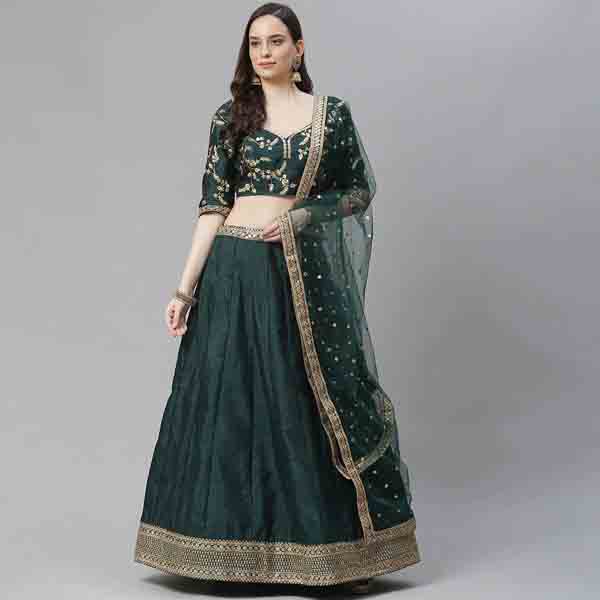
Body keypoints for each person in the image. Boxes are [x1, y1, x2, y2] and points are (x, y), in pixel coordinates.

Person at [133, 2, 421, 593]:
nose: (264, 52)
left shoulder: (330, 116)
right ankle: (225, 554)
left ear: (299, 48)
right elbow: (212, 206)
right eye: (255, 43)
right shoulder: (230, 117)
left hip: (298, 274)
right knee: (231, 403)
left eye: (275, 41)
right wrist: (184, 288)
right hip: (233, 272)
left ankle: (328, 555)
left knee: (302, 400)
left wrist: (301, 217)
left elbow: (357, 191)